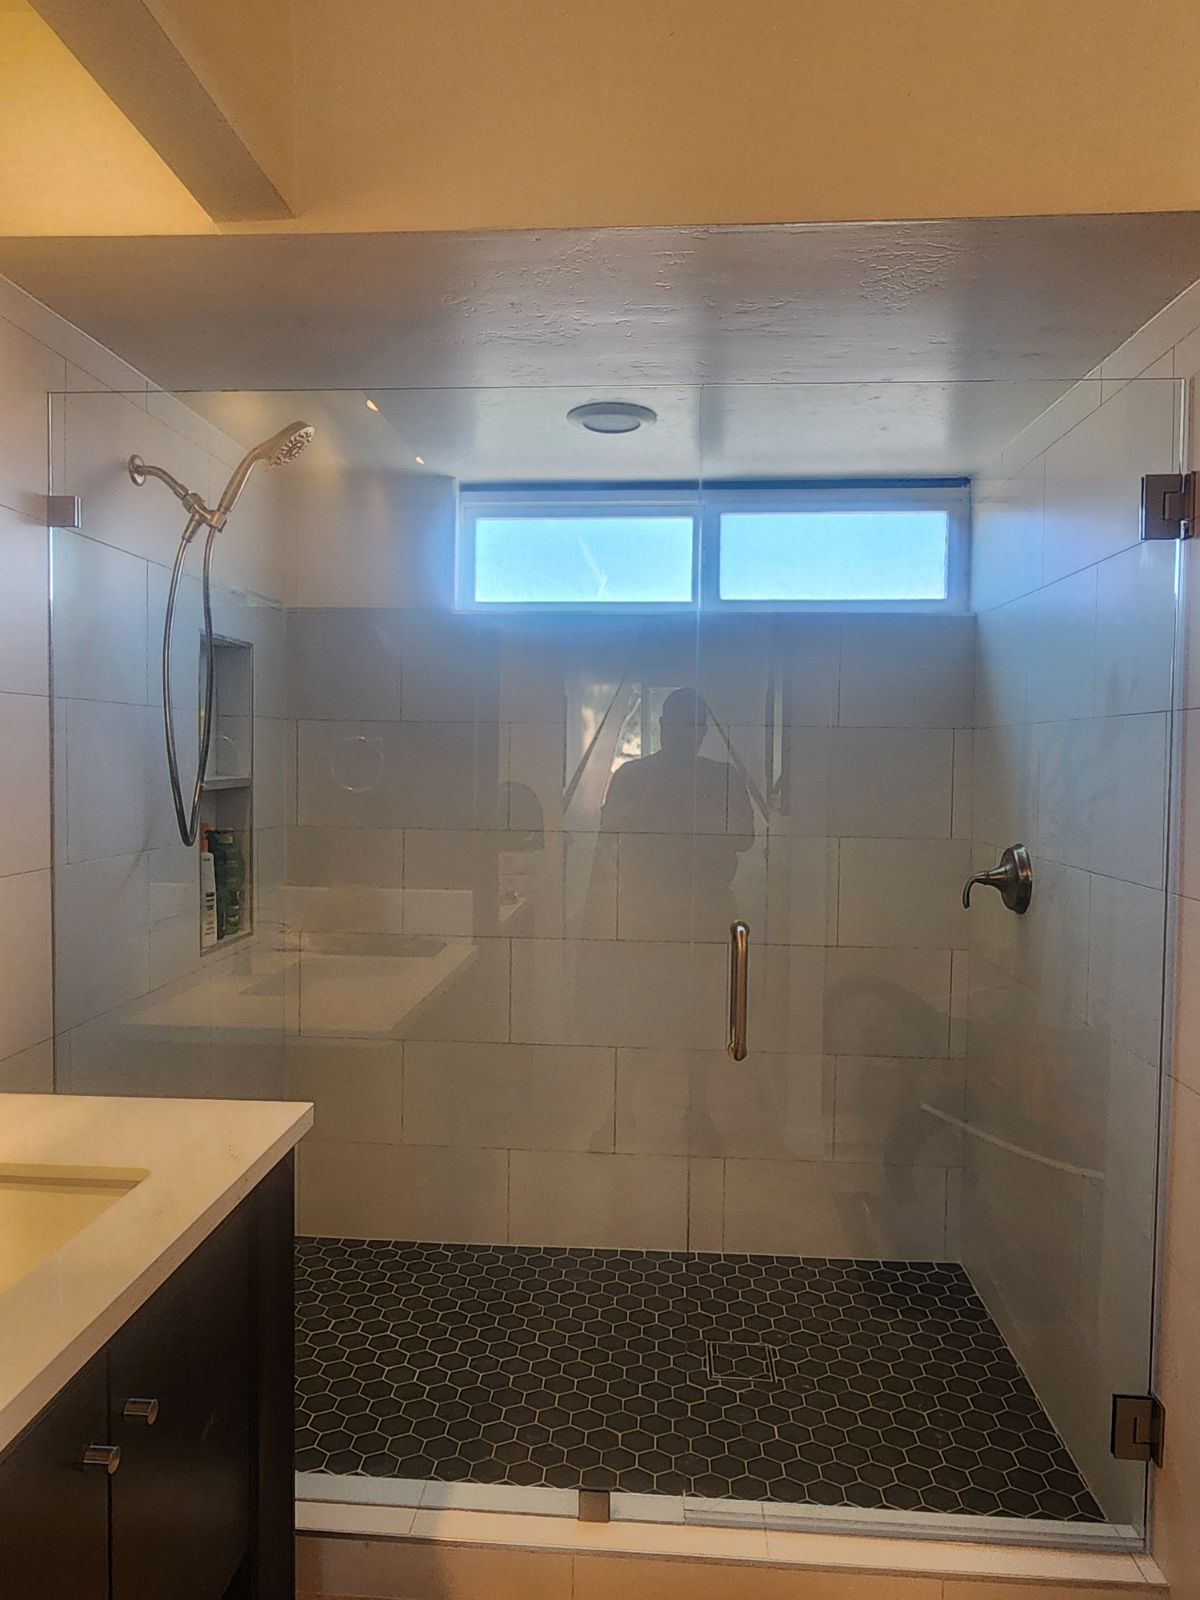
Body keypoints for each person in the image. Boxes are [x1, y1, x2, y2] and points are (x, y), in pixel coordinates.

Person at [600, 688, 754, 931]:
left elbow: (745, 837)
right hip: (646, 907)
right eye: (678, 724)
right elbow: (606, 835)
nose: (684, 733)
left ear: (702, 731)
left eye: (690, 726)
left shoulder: (725, 778)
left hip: (705, 907)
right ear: (663, 725)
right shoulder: (631, 777)